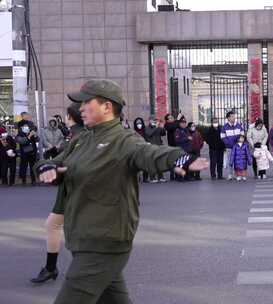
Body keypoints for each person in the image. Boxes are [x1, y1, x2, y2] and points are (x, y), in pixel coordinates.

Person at [36, 79, 208, 304]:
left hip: (104, 241)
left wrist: (183, 159)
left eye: (86, 102)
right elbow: (53, 163)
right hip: (84, 238)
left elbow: (151, 153)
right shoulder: (83, 139)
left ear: (107, 107)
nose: (80, 109)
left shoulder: (124, 140)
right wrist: (48, 169)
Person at [30, 103, 86, 284]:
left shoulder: (79, 136)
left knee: (68, 229)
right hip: (72, 188)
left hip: (75, 188)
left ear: (71, 117)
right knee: (55, 225)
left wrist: (56, 166)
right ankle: (51, 268)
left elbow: (75, 162)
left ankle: (54, 268)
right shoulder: (79, 134)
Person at [221, 111, 245, 180]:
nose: (234, 118)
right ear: (228, 118)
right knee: (230, 161)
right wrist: (228, 143)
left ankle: (237, 174)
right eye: (232, 116)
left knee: (237, 161)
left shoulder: (238, 125)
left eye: (234, 116)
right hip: (229, 147)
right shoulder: (224, 127)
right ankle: (230, 174)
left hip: (238, 147)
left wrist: (239, 142)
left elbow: (242, 134)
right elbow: (223, 137)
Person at [144, 117, 167, 183]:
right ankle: (152, 177)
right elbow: (149, 133)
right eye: (153, 120)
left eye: (155, 120)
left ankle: (161, 177)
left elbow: (163, 133)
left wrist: (162, 127)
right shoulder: (146, 128)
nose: (154, 122)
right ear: (149, 121)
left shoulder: (157, 127)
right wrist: (156, 127)